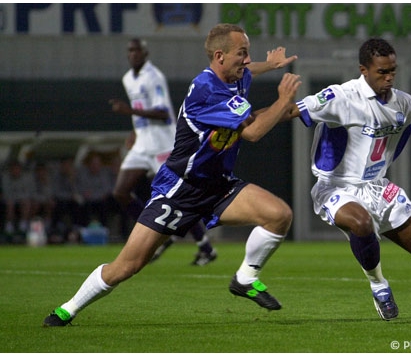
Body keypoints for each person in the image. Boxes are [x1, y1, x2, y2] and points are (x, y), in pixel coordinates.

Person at [43, 23, 300, 327]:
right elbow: (253, 132)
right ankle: (67, 309)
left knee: (279, 215)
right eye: (241, 53)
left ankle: (245, 278)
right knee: (128, 265)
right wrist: (283, 101)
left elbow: (249, 74)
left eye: (247, 53)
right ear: (219, 56)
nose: (246, 60)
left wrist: (269, 65)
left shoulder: (237, 75)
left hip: (218, 186)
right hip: (180, 188)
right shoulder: (206, 91)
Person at [288, 38, 411, 321]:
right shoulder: (342, 96)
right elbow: (293, 110)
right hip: (336, 186)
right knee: (361, 224)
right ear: (364, 69)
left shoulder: (403, 102)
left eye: (392, 71)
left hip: (378, 187)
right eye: (381, 72)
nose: (388, 78)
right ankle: (379, 286)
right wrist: (248, 122)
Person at [108, 38, 216, 265]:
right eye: (130, 50)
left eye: (137, 50)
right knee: (120, 191)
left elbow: (163, 113)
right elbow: (141, 112)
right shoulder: (128, 78)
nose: (133, 54)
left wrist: (128, 111)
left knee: (176, 198)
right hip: (142, 145)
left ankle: (205, 247)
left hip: (162, 145)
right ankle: (159, 233)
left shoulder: (153, 76)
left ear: (146, 53)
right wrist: (135, 131)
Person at [1, 160, 35, 236]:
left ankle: (23, 225)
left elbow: (27, 193)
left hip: (22, 199)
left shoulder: (26, 178)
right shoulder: (5, 177)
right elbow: (6, 193)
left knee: (27, 202)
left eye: (17, 169)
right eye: (13, 169)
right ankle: (9, 225)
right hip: (9, 199)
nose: (15, 171)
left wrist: (21, 198)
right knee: (10, 203)